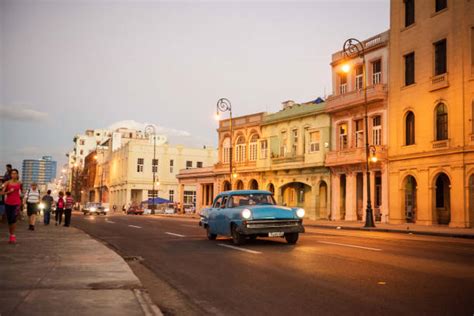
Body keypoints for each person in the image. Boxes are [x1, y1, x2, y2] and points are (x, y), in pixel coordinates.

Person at [1, 169, 22, 244]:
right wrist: (8, 192)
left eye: (15, 173)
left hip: (16, 203)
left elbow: (21, 193)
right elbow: (2, 193)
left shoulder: (20, 183)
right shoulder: (7, 183)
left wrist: (21, 203)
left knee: (13, 219)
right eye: (12, 173)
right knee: (10, 220)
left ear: (17, 175)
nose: (14, 175)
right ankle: (11, 234)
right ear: (10, 175)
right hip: (8, 203)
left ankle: (13, 235)